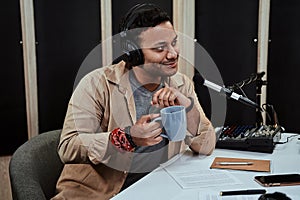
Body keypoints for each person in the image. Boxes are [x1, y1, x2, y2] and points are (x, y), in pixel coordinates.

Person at [51, 3, 216, 200]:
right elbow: (68, 147)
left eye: (174, 42)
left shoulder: (181, 83)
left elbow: (206, 146)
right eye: (160, 48)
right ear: (134, 53)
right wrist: (127, 138)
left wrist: (188, 108)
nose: (173, 54)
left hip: (158, 188)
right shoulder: (96, 84)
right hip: (101, 194)